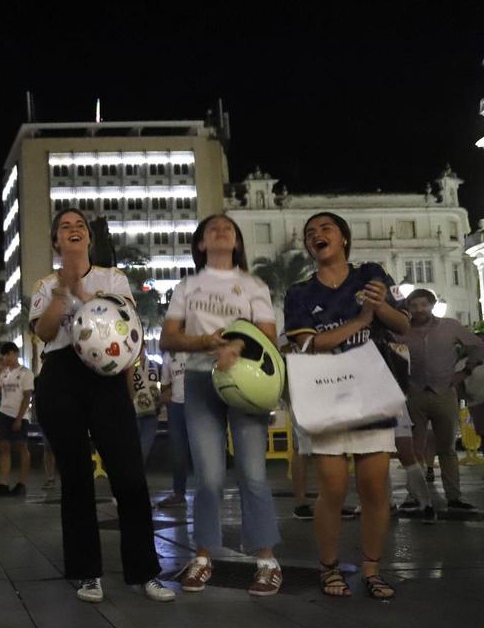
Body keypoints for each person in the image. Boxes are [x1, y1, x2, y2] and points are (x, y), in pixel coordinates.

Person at [30, 208, 174, 603]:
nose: (74, 230)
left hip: (106, 376)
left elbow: (126, 327)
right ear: (56, 241)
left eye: (80, 226)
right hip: (61, 375)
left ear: (89, 238)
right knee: (76, 478)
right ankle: (86, 573)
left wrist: (82, 291)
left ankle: (145, 571)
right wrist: (64, 289)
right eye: (65, 227)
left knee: (128, 474)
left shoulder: (114, 278)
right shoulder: (44, 284)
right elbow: (44, 332)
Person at [284, 212, 409, 599]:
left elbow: (401, 323)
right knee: (334, 489)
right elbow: (307, 344)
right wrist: (362, 320)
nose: (316, 235)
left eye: (325, 229)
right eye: (310, 233)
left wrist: (380, 308)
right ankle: (329, 566)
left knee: (374, 486)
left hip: (372, 388)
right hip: (325, 393)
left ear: (344, 239)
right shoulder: (300, 293)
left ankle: (372, 569)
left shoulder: (371, 273)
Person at [160, 214, 282, 595]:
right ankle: (202, 556)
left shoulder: (253, 284)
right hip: (200, 380)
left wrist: (235, 346)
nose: (221, 230)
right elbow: (168, 338)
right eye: (212, 228)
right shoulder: (187, 287)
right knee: (208, 477)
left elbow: (268, 335)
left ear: (238, 242)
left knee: (253, 473)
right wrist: (205, 344)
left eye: (228, 228)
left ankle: (266, 559)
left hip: (246, 380)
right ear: (200, 244)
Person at [399, 288, 484, 513]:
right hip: (414, 393)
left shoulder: (450, 326)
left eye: (423, 304)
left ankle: (454, 497)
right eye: (415, 305)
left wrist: (465, 372)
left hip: (445, 392)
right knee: (414, 449)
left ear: (432, 305)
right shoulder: (402, 330)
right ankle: (414, 496)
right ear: (409, 308)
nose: (419, 309)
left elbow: (478, 346)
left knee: (447, 448)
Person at [0, 341, 33, 497]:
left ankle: (22, 483)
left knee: (21, 447)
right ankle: (3, 483)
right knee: (4, 447)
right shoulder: (5, 372)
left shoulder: (26, 373)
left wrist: (20, 418)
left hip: (19, 415)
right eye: (4, 355)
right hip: (4, 413)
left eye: (9, 354)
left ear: (15, 354)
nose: (6, 357)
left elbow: (27, 397)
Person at [156, 350, 189, 509]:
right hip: (176, 405)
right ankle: (179, 492)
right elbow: (165, 384)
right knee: (177, 450)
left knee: (201, 450)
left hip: (197, 403)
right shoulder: (168, 356)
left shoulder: (194, 348)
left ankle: (208, 492)